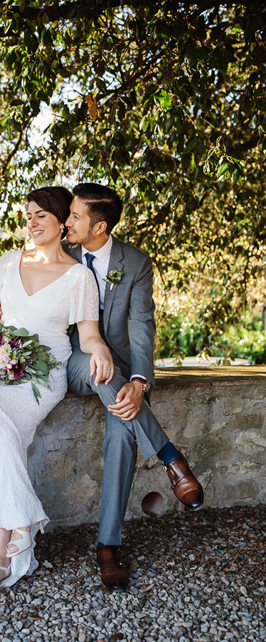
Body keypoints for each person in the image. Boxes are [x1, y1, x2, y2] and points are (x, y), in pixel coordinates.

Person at [0, 186, 115, 606]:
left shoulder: (79, 278)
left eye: (41, 216)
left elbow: (88, 336)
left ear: (61, 222)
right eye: (28, 216)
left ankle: (1, 552)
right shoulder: (8, 262)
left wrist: (102, 349)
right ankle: (17, 527)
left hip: (44, 374)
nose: (32, 223)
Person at [63, 183, 203, 590]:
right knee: (97, 366)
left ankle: (108, 547)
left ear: (100, 226)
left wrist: (140, 380)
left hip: (120, 372)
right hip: (72, 363)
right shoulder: (62, 255)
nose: (66, 222)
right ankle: (171, 456)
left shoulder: (136, 262)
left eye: (75, 216)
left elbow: (141, 326)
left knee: (122, 435)